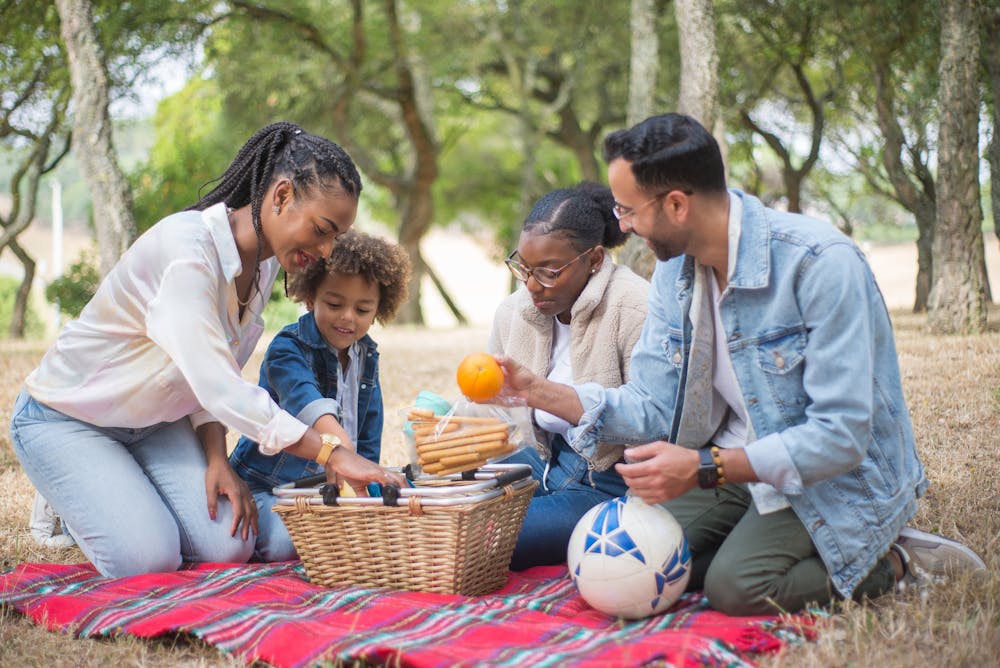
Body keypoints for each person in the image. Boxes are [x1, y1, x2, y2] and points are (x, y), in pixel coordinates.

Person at [495, 113, 985, 615]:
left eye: (627, 209)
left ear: (677, 204)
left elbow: (841, 435)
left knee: (735, 588)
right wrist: (536, 390)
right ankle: (790, 544)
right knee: (620, 562)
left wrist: (706, 467)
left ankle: (895, 560)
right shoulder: (674, 274)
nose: (621, 224)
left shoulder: (820, 263)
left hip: (826, 478)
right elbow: (653, 405)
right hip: (730, 475)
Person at [9, 122, 406, 578]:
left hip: (155, 423)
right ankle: (71, 496)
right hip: (71, 416)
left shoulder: (263, 266)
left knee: (229, 547)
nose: (327, 248)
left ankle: (121, 491)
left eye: (336, 236)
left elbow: (210, 372)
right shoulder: (188, 254)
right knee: (148, 559)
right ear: (280, 196)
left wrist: (217, 457)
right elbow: (222, 388)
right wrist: (332, 453)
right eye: (322, 229)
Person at [489, 182, 649, 570]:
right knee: (440, 500)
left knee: (486, 536)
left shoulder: (635, 307)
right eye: (523, 268)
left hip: (611, 483)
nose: (530, 285)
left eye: (547, 272)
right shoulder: (515, 312)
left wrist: (539, 392)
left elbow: (655, 421)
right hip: (544, 461)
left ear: (594, 259)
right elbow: (499, 414)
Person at [230, 230, 411, 561]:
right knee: (290, 543)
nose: (347, 317)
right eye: (334, 303)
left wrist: (370, 486)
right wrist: (344, 452)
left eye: (362, 309)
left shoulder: (367, 356)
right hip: (267, 486)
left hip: (323, 491)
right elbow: (309, 406)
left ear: (378, 310)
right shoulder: (287, 349)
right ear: (311, 296)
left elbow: (369, 435)